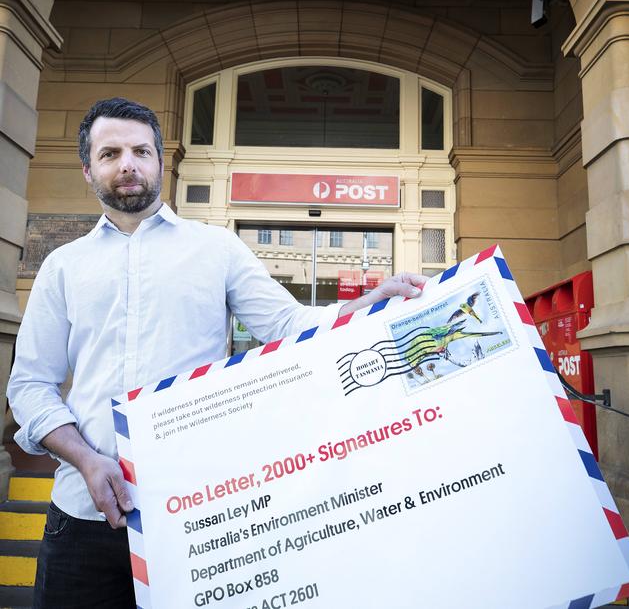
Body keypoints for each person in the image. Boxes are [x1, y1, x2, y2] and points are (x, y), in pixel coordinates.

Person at [8, 97, 425, 608]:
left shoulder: (216, 249)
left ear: (160, 161)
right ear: (88, 169)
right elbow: (29, 386)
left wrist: (369, 303)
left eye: (141, 151)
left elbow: (290, 327)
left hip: (196, 518)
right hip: (81, 520)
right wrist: (87, 460)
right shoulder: (63, 267)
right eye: (110, 153)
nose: (127, 164)